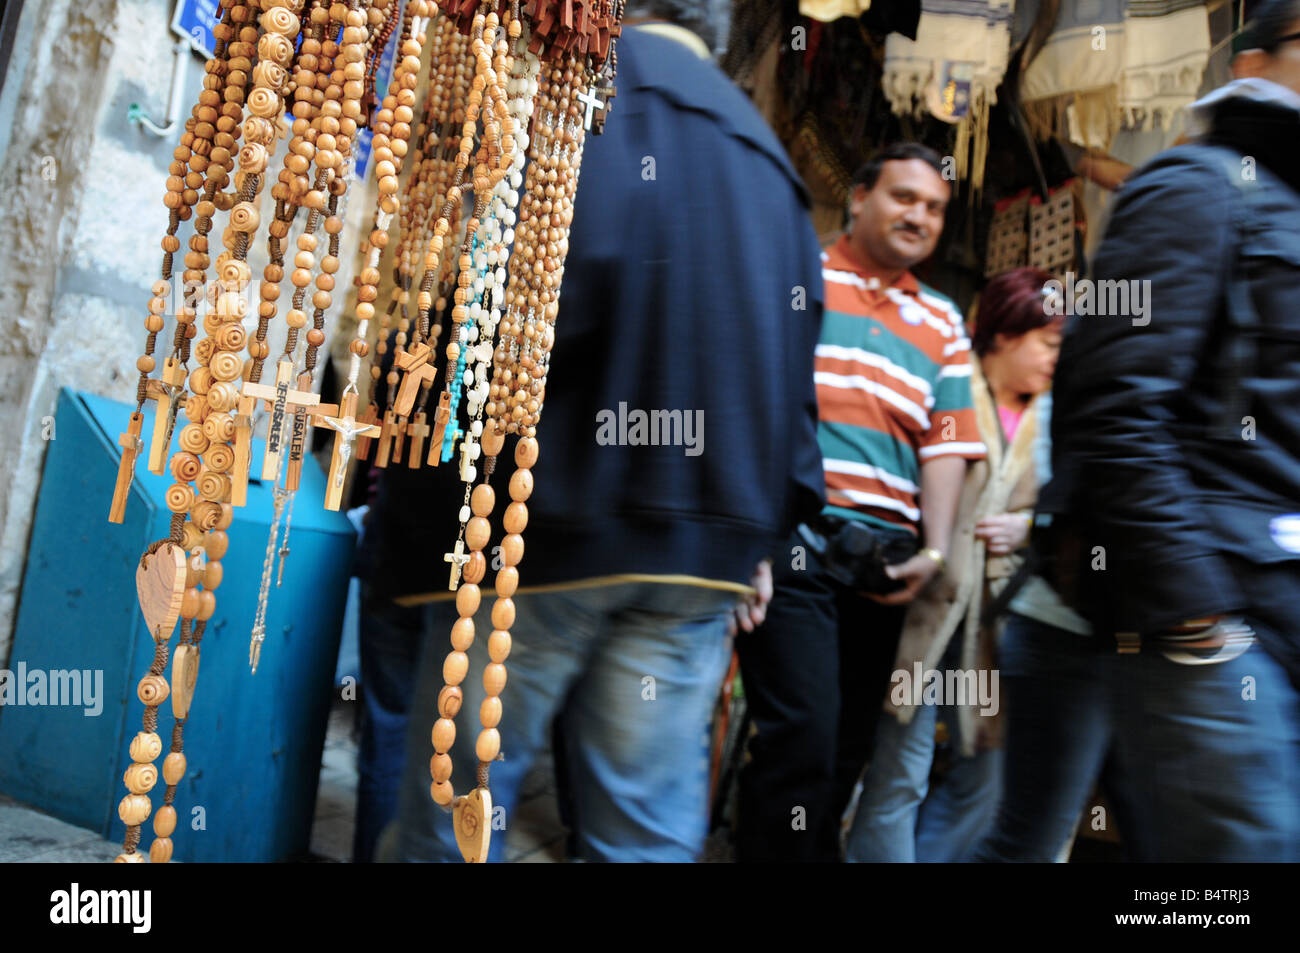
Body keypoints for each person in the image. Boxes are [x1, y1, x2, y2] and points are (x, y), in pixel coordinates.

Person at [356, 3, 827, 862]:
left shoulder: (588, 97)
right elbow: (797, 383)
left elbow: (527, 305)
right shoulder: (768, 162)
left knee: (454, 829)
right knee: (642, 839)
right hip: (698, 560)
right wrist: (764, 533)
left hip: (543, 534)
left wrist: (422, 464)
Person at [977, 0, 1300, 862]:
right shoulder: (1196, 188)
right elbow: (1117, 411)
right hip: (1156, 612)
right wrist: (1198, 619)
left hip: (1214, 610)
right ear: (1253, 64)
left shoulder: (1279, 209)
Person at [734, 143, 987, 863]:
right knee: (802, 734)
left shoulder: (942, 319)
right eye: (904, 197)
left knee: (846, 747)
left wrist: (934, 551)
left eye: (935, 208)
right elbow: (756, 402)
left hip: (885, 563)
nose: (920, 216)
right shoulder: (800, 275)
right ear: (859, 198)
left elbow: (945, 444)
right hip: (795, 541)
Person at [844, 267, 1061, 863]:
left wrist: (1030, 527)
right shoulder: (949, 385)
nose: (1055, 357)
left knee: (983, 780)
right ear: (1005, 335)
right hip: (923, 614)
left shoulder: (1053, 417)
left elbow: (1068, 510)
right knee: (900, 770)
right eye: (1047, 340)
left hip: (992, 627)